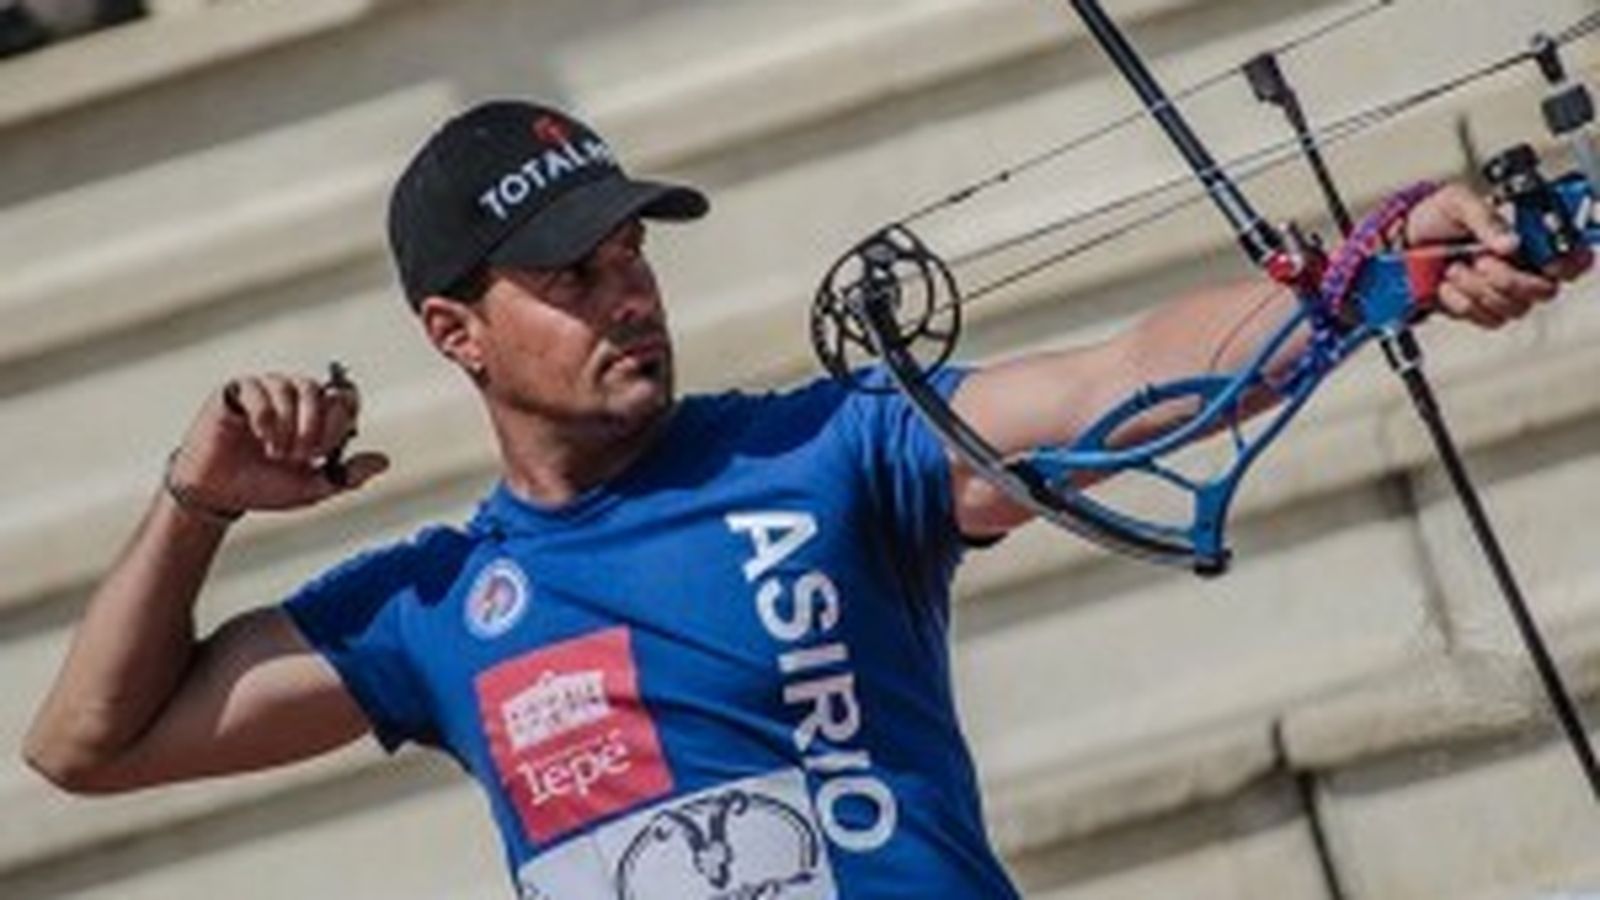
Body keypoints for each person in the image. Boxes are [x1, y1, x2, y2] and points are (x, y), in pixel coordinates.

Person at [22, 99, 1587, 898]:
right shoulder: (434, 610)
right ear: (457, 333)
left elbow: (1122, 380)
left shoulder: (829, 448)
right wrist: (196, 504)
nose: (629, 296)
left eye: (637, 255)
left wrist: (1380, 270)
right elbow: (87, 747)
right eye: (575, 274)